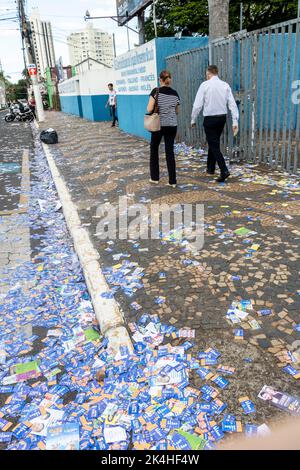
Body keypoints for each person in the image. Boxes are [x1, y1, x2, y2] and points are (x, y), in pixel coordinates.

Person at [191, 65, 239, 183]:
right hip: (221, 118)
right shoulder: (225, 85)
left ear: (208, 73)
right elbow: (232, 104)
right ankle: (210, 169)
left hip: (210, 119)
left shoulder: (205, 85)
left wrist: (193, 119)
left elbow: (197, 105)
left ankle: (224, 170)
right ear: (217, 73)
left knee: (214, 145)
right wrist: (235, 120)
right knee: (214, 142)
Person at [147, 70, 180, 188]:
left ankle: (155, 178)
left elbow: (149, 108)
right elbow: (177, 111)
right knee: (169, 151)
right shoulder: (175, 93)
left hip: (159, 125)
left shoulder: (156, 92)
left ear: (160, 79)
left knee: (154, 149)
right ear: (169, 80)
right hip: (172, 125)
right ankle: (172, 181)